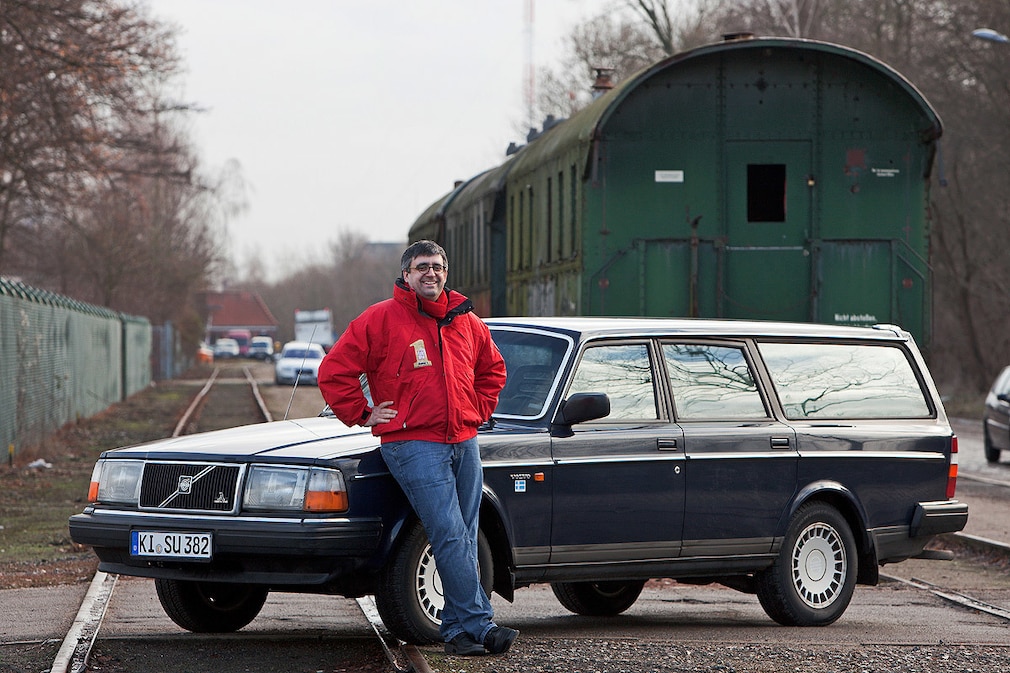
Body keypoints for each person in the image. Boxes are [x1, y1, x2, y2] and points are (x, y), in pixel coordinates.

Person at [317, 240, 516, 657]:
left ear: (446, 272)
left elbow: (493, 368)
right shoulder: (380, 319)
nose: (432, 273)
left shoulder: (466, 321)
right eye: (422, 266)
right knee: (447, 531)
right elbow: (334, 370)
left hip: (463, 439)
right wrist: (363, 412)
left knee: (462, 532)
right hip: (412, 443)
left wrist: (476, 409)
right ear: (406, 274)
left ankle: (457, 633)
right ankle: (481, 625)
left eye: (438, 266)